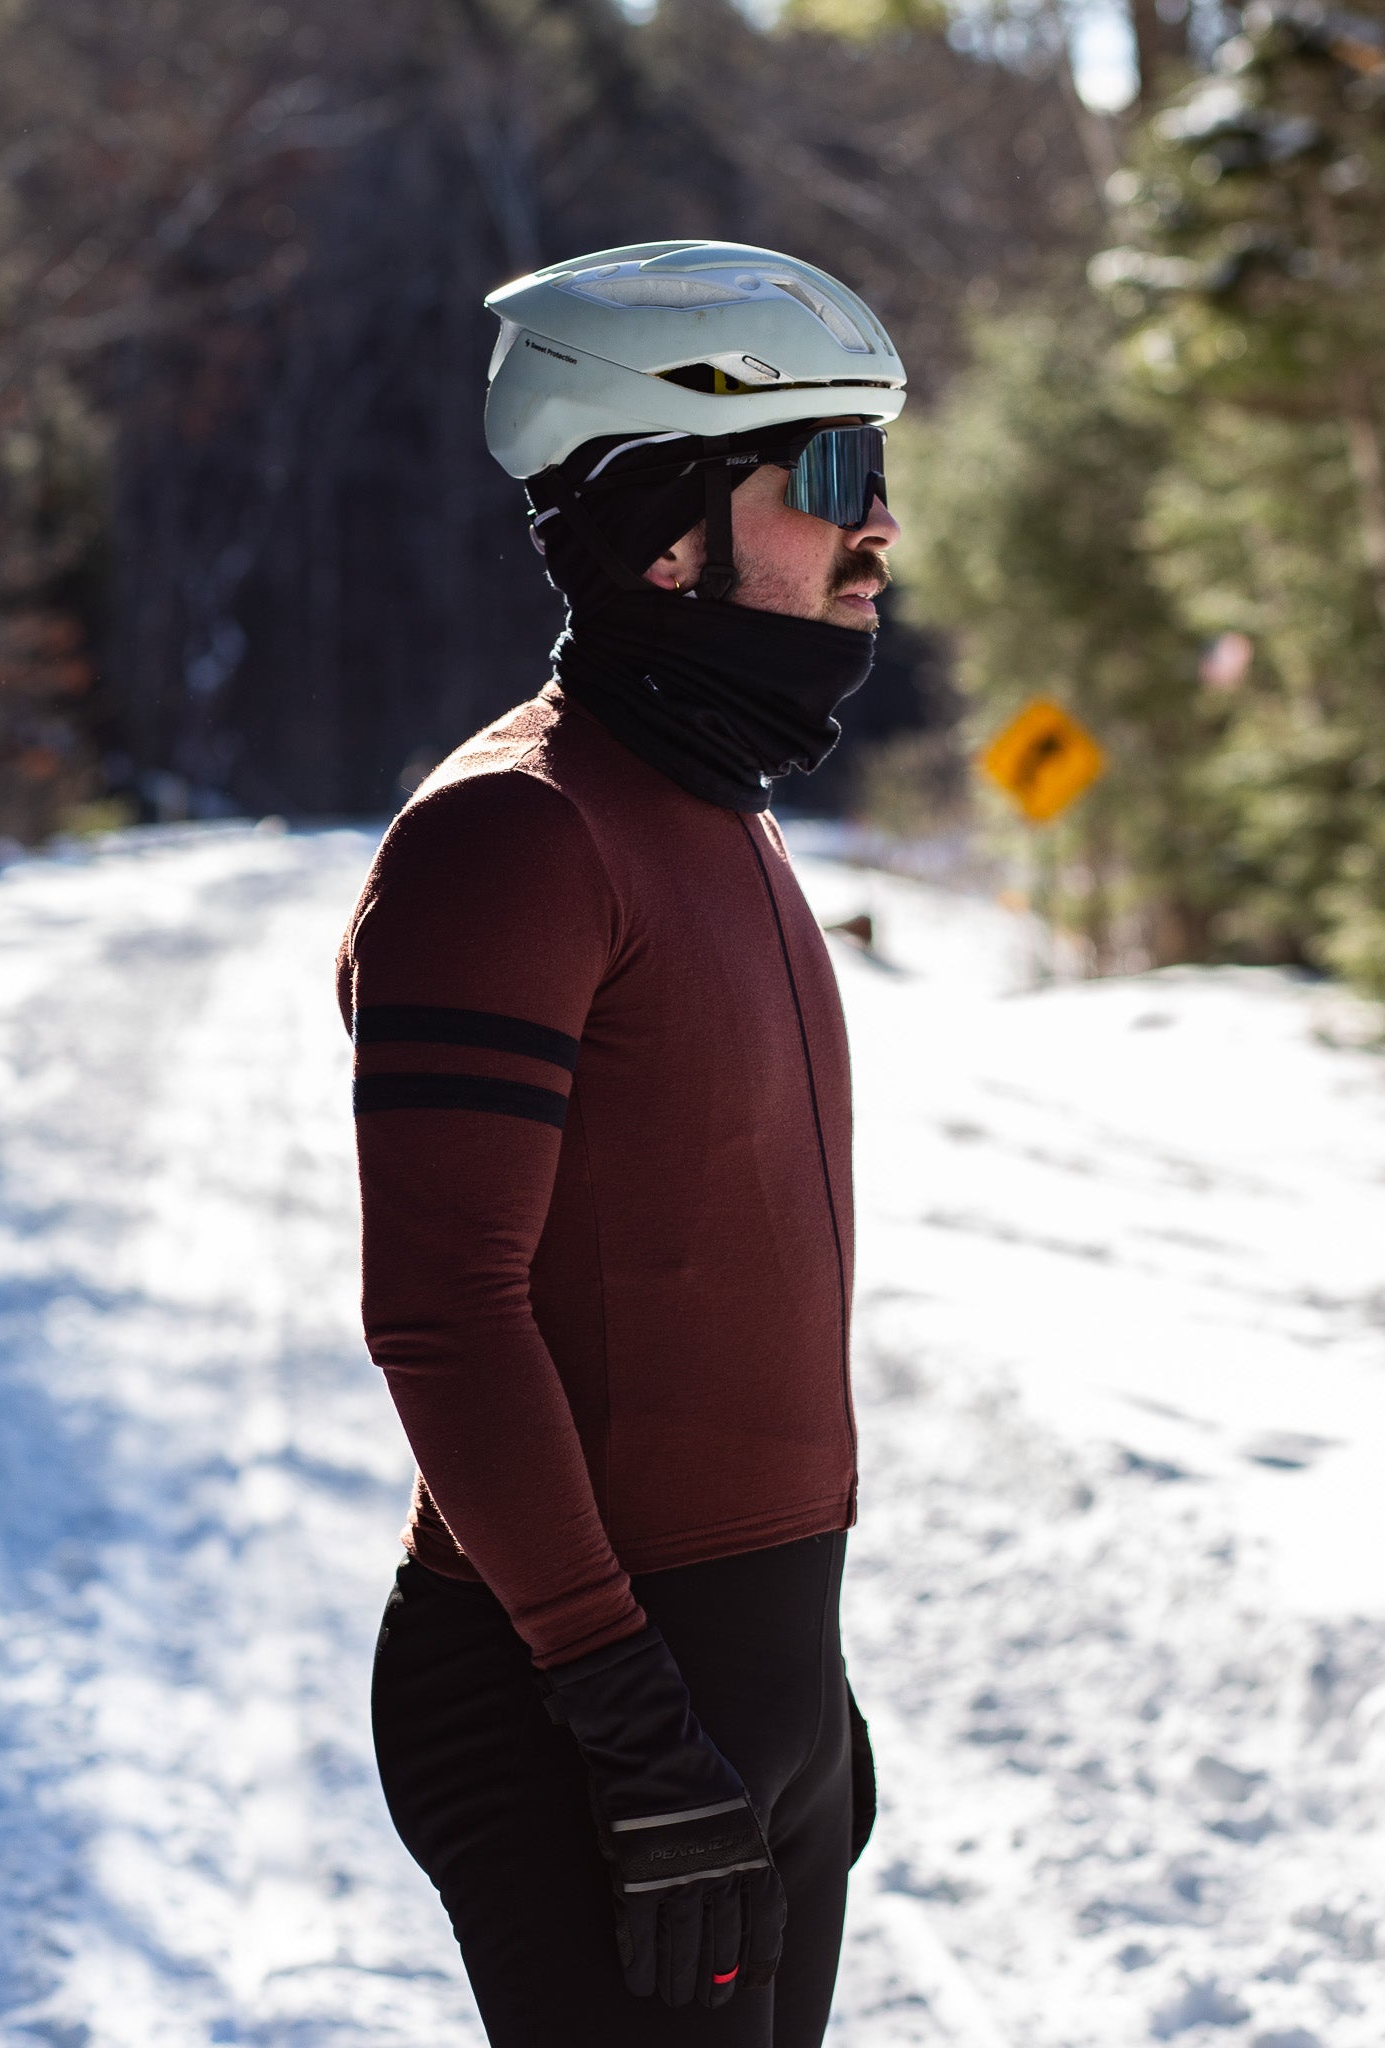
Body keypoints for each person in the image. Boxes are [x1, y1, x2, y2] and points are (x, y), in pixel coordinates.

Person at [338, 240, 906, 2048]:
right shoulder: (511, 838)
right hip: (580, 1700)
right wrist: (625, 1711)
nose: (877, 524)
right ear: (666, 529)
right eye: (826, 474)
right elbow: (443, 1310)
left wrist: (794, 1692)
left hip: (735, 1675)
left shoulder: (710, 816)